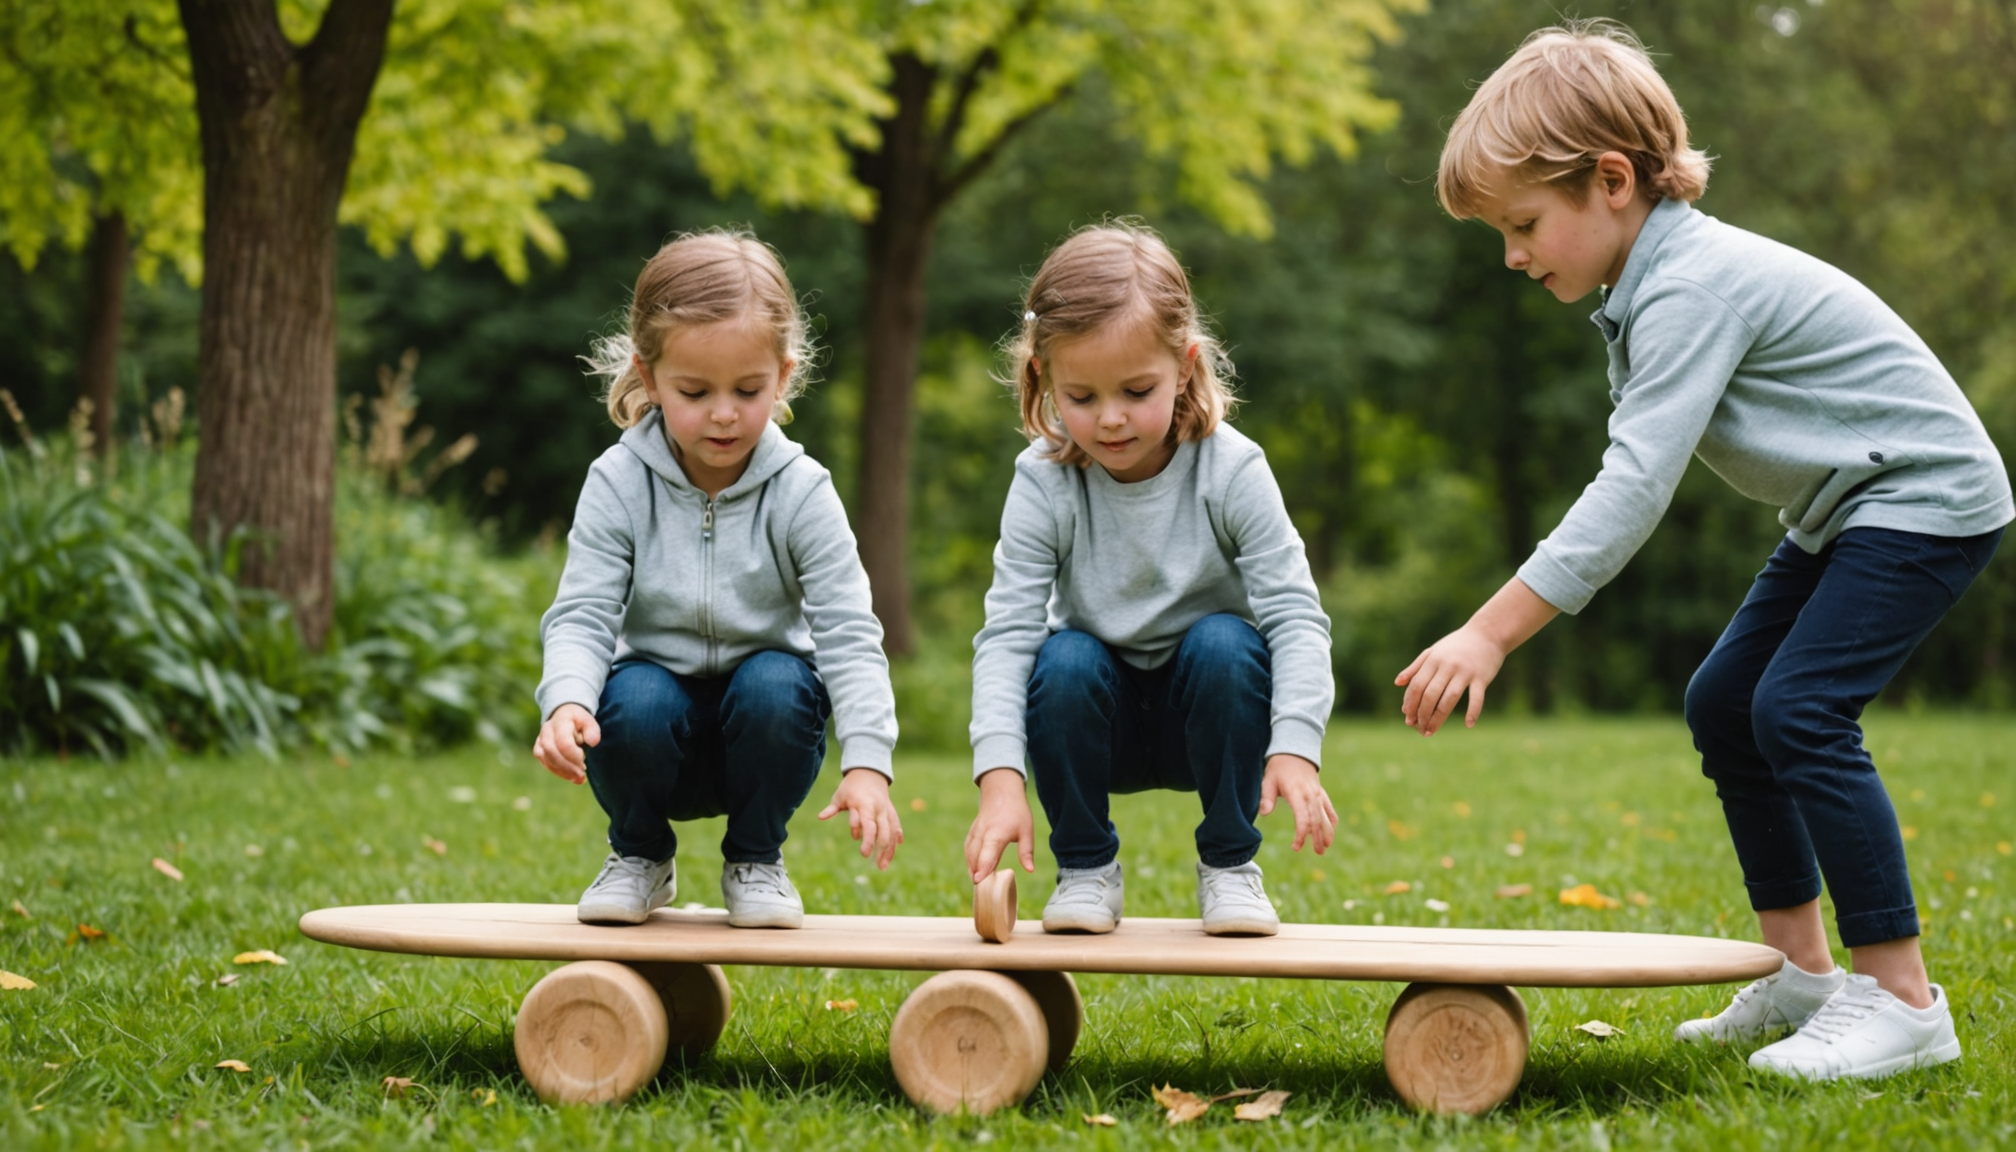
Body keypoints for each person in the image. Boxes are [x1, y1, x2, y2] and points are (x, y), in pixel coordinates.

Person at [1409, 21, 2012, 1079]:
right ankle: (1804, 973)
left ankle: (1904, 999)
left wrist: (1490, 632)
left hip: (1922, 495)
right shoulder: (1653, 282)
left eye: (1523, 223)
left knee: (1799, 710)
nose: (1510, 254)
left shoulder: (1690, 285)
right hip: (1849, 505)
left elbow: (1633, 487)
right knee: (1726, 703)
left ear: (1609, 180)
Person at [963, 221, 1339, 938]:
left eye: (1138, 390)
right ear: (1043, 378)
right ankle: (1086, 870)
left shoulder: (1232, 470)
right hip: (1094, 723)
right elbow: (1007, 634)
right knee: (1062, 655)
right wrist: (1001, 781)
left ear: (1186, 366)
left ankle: (1230, 867)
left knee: (1228, 643)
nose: (1109, 420)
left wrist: (1294, 748)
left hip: (1213, 718)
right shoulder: (1042, 482)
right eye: (1081, 396)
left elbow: (1295, 617)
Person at [532, 230, 902, 929]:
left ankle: (756, 859)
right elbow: (582, 613)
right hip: (648, 725)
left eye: (749, 389)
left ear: (784, 376)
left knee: (777, 680)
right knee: (632, 694)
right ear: (649, 378)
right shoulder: (618, 481)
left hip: (764, 730)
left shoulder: (802, 491)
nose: (725, 412)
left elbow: (849, 633)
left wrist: (868, 762)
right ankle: (639, 855)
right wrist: (566, 701)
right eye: (696, 391)